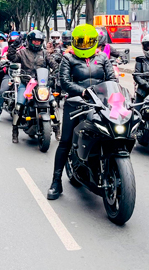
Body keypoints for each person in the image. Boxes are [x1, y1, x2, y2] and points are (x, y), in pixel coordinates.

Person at [47, 24, 116, 200]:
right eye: (80, 42)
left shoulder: (102, 57)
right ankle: (56, 182)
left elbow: (112, 79)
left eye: (88, 42)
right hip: (76, 103)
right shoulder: (68, 58)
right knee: (65, 142)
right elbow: (64, 82)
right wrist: (82, 91)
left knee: (112, 134)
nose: (84, 45)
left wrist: (114, 95)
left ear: (95, 42)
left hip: (101, 104)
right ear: (74, 42)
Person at [0, 30, 59, 142]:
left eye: (39, 41)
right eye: (34, 41)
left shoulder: (45, 53)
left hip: (41, 85)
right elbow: (11, 57)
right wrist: (14, 44)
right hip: (26, 84)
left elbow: (55, 65)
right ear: (30, 41)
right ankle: (15, 131)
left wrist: (56, 74)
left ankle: (57, 128)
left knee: (53, 103)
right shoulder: (23, 52)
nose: (37, 43)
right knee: (19, 105)